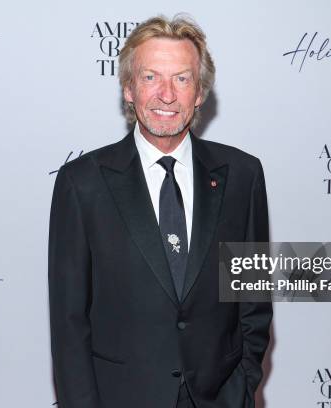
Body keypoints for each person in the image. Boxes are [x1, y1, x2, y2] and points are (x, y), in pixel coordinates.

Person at [48, 15, 272, 408]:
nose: (166, 94)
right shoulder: (81, 183)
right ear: (128, 89)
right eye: (151, 77)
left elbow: (253, 303)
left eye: (182, 79)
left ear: (200, 93)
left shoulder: (242, 175)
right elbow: (70, 326)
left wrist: (241, 387)